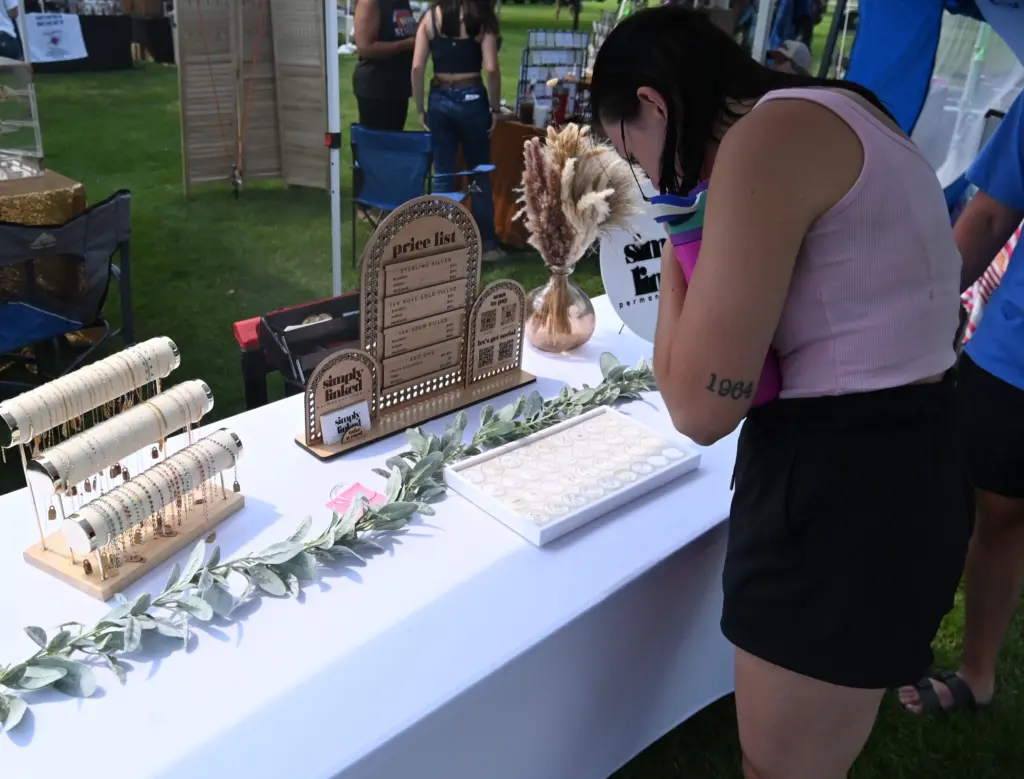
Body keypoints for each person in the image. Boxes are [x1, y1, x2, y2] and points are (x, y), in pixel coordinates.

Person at [589, 8, 970, 779]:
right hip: (910, 458)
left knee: (778, 767)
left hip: (841, 488)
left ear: (654, 103)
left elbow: (699, 407)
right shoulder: (844, 108)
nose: (645, 177)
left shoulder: (764, 142)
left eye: (632, 153)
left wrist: (672, 231)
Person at [898, 90, 1024, 715]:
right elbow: (993, 215)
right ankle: (975, 673)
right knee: (979, 509)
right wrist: (925, 303)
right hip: (1013, 352)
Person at [411, 0, 503, 261]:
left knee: (443, 174)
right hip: (472, 96)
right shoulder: (482, 17)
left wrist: (420, 108)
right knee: (479, 174)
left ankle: (440, 242)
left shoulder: (430, 18)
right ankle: (487, 245)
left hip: (440, 97)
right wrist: (495, 108)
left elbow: (417, 67)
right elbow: (492, 69)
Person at [353, 0, 417, 130]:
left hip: (399, 87)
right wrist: (404, 45)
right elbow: (365, 47)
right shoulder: (371, 3)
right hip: (376, 88)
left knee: (395, 138)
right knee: (378, 140)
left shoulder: (402, 2)